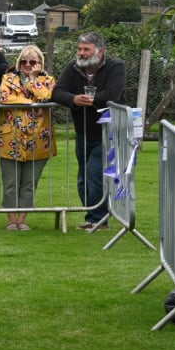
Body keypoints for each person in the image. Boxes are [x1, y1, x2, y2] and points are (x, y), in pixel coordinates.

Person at [52, 29, 127, 232]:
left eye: (86, 49)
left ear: (100, 51)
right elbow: (57, 92)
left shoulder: (115, 66)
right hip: (82, 132)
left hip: (107, 132)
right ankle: (93, 216)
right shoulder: (73, 68)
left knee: (95, 175)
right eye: (79, 49)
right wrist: (74, 100)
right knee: (83, 178)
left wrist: (91, 101)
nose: (81, 53)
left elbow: (113, 93)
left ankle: (99, 219)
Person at [0, 44, 57, 231]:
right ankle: (11, 220)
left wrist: (32, 80)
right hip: (10, 137)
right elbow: (5, 97)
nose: (28, 64)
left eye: (33, 62)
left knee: (30, 182)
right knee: (10, 181)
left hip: (39, 139)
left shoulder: (48, 80)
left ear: (40, 63)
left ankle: (23, 219)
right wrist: (30, 102)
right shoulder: (8, 78)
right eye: (24, 61)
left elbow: (46, 97)